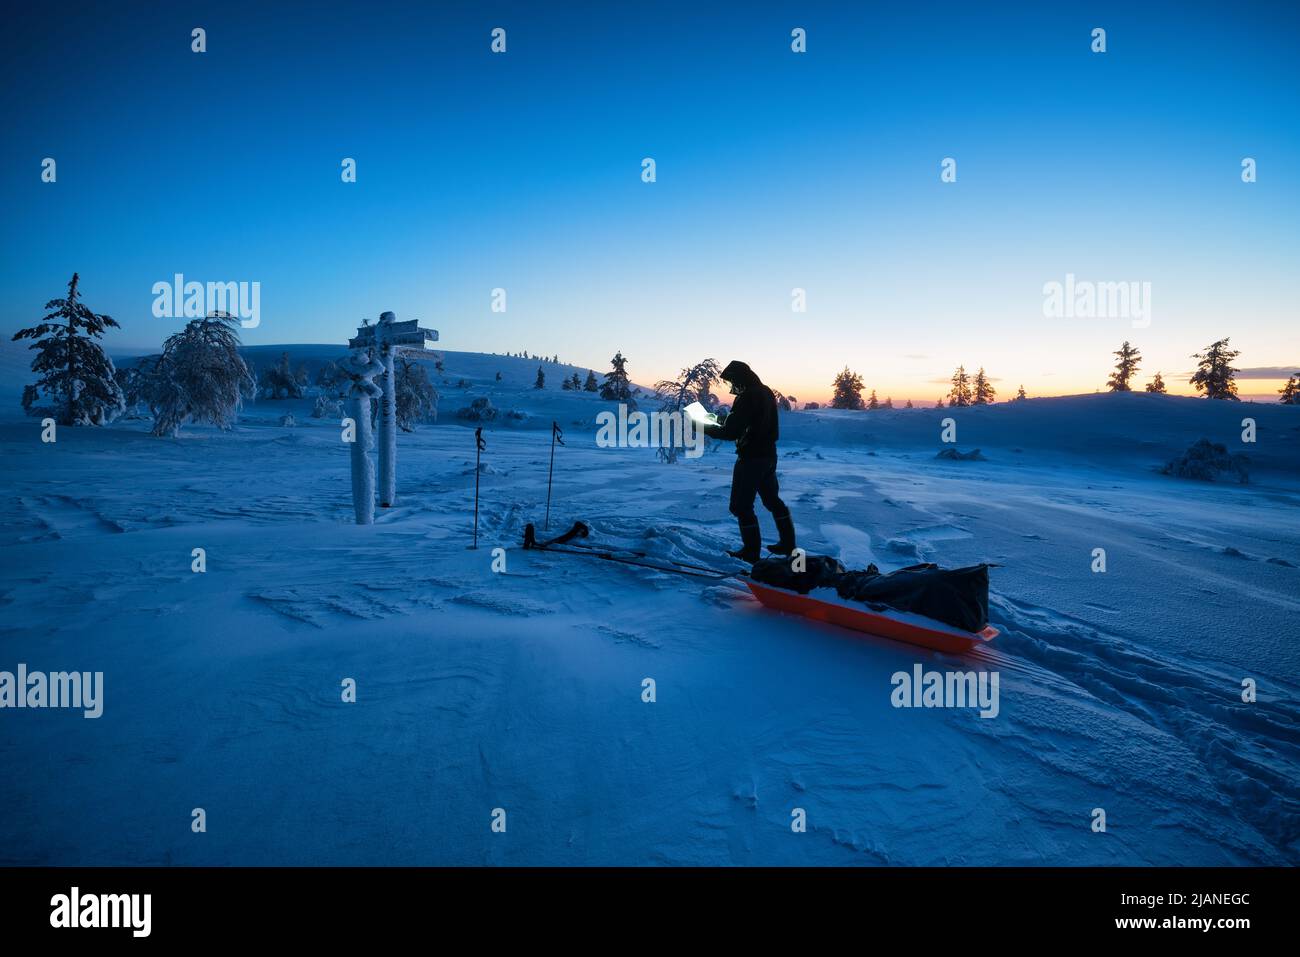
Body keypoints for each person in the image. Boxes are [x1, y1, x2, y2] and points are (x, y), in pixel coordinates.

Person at [702, 360, 796, 563]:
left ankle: (751, 552)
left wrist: (700, 427)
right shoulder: (764, 392)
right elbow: (746, 421)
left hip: (751, 458)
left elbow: (731, 432)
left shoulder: (747, 397)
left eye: (731, 382)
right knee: (773, 501)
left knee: (741, 506)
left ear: (740, 379)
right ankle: (788, 543)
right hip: (769, 456)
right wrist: (717, 419)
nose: (731, 387)